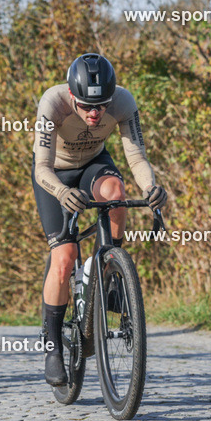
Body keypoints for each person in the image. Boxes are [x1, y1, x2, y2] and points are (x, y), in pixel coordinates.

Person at [33, 53, 166, 385]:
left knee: (116, 193)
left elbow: (136, 156)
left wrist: (151, 188)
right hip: (55, 175)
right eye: (86, 106)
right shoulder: (52, 102)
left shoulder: (123, 101)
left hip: (93, 162)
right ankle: (52, 346)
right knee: (63, 258)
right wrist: (62, 194)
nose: (94, 113)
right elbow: (40, 168)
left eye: (101, 106)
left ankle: (108, 271)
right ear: (71, 94)